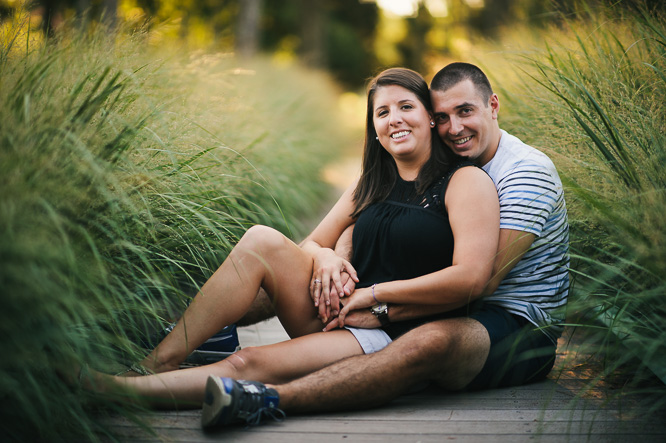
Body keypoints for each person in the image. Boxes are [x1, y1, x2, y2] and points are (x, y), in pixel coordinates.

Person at [76, 68, 500, 419]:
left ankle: (116, 392)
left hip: (386, 331)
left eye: (406, 107)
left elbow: (470, 278)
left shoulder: (464, 183)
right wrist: (328, 259)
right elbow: (313, 241)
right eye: (382, 112)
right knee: (261, 239)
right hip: (339, 309)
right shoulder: (373, 182)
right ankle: (157, 363)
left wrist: (372, 297)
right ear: (373, 128)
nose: (394, 120)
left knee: (249, 364)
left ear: (429, 117)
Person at [200, 62, 569, 427]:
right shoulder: (453, 160)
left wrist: (379, 306)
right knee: (306, 263)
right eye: (442, 117)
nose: (454, 128)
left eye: (466, 111)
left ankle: (268, 398)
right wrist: (335, 257)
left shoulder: (524, 172)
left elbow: (482, 282)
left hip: (517, 323)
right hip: (459, 306)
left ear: (493, 106)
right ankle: (210, 330)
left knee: (426, 342)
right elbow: (370, 216)